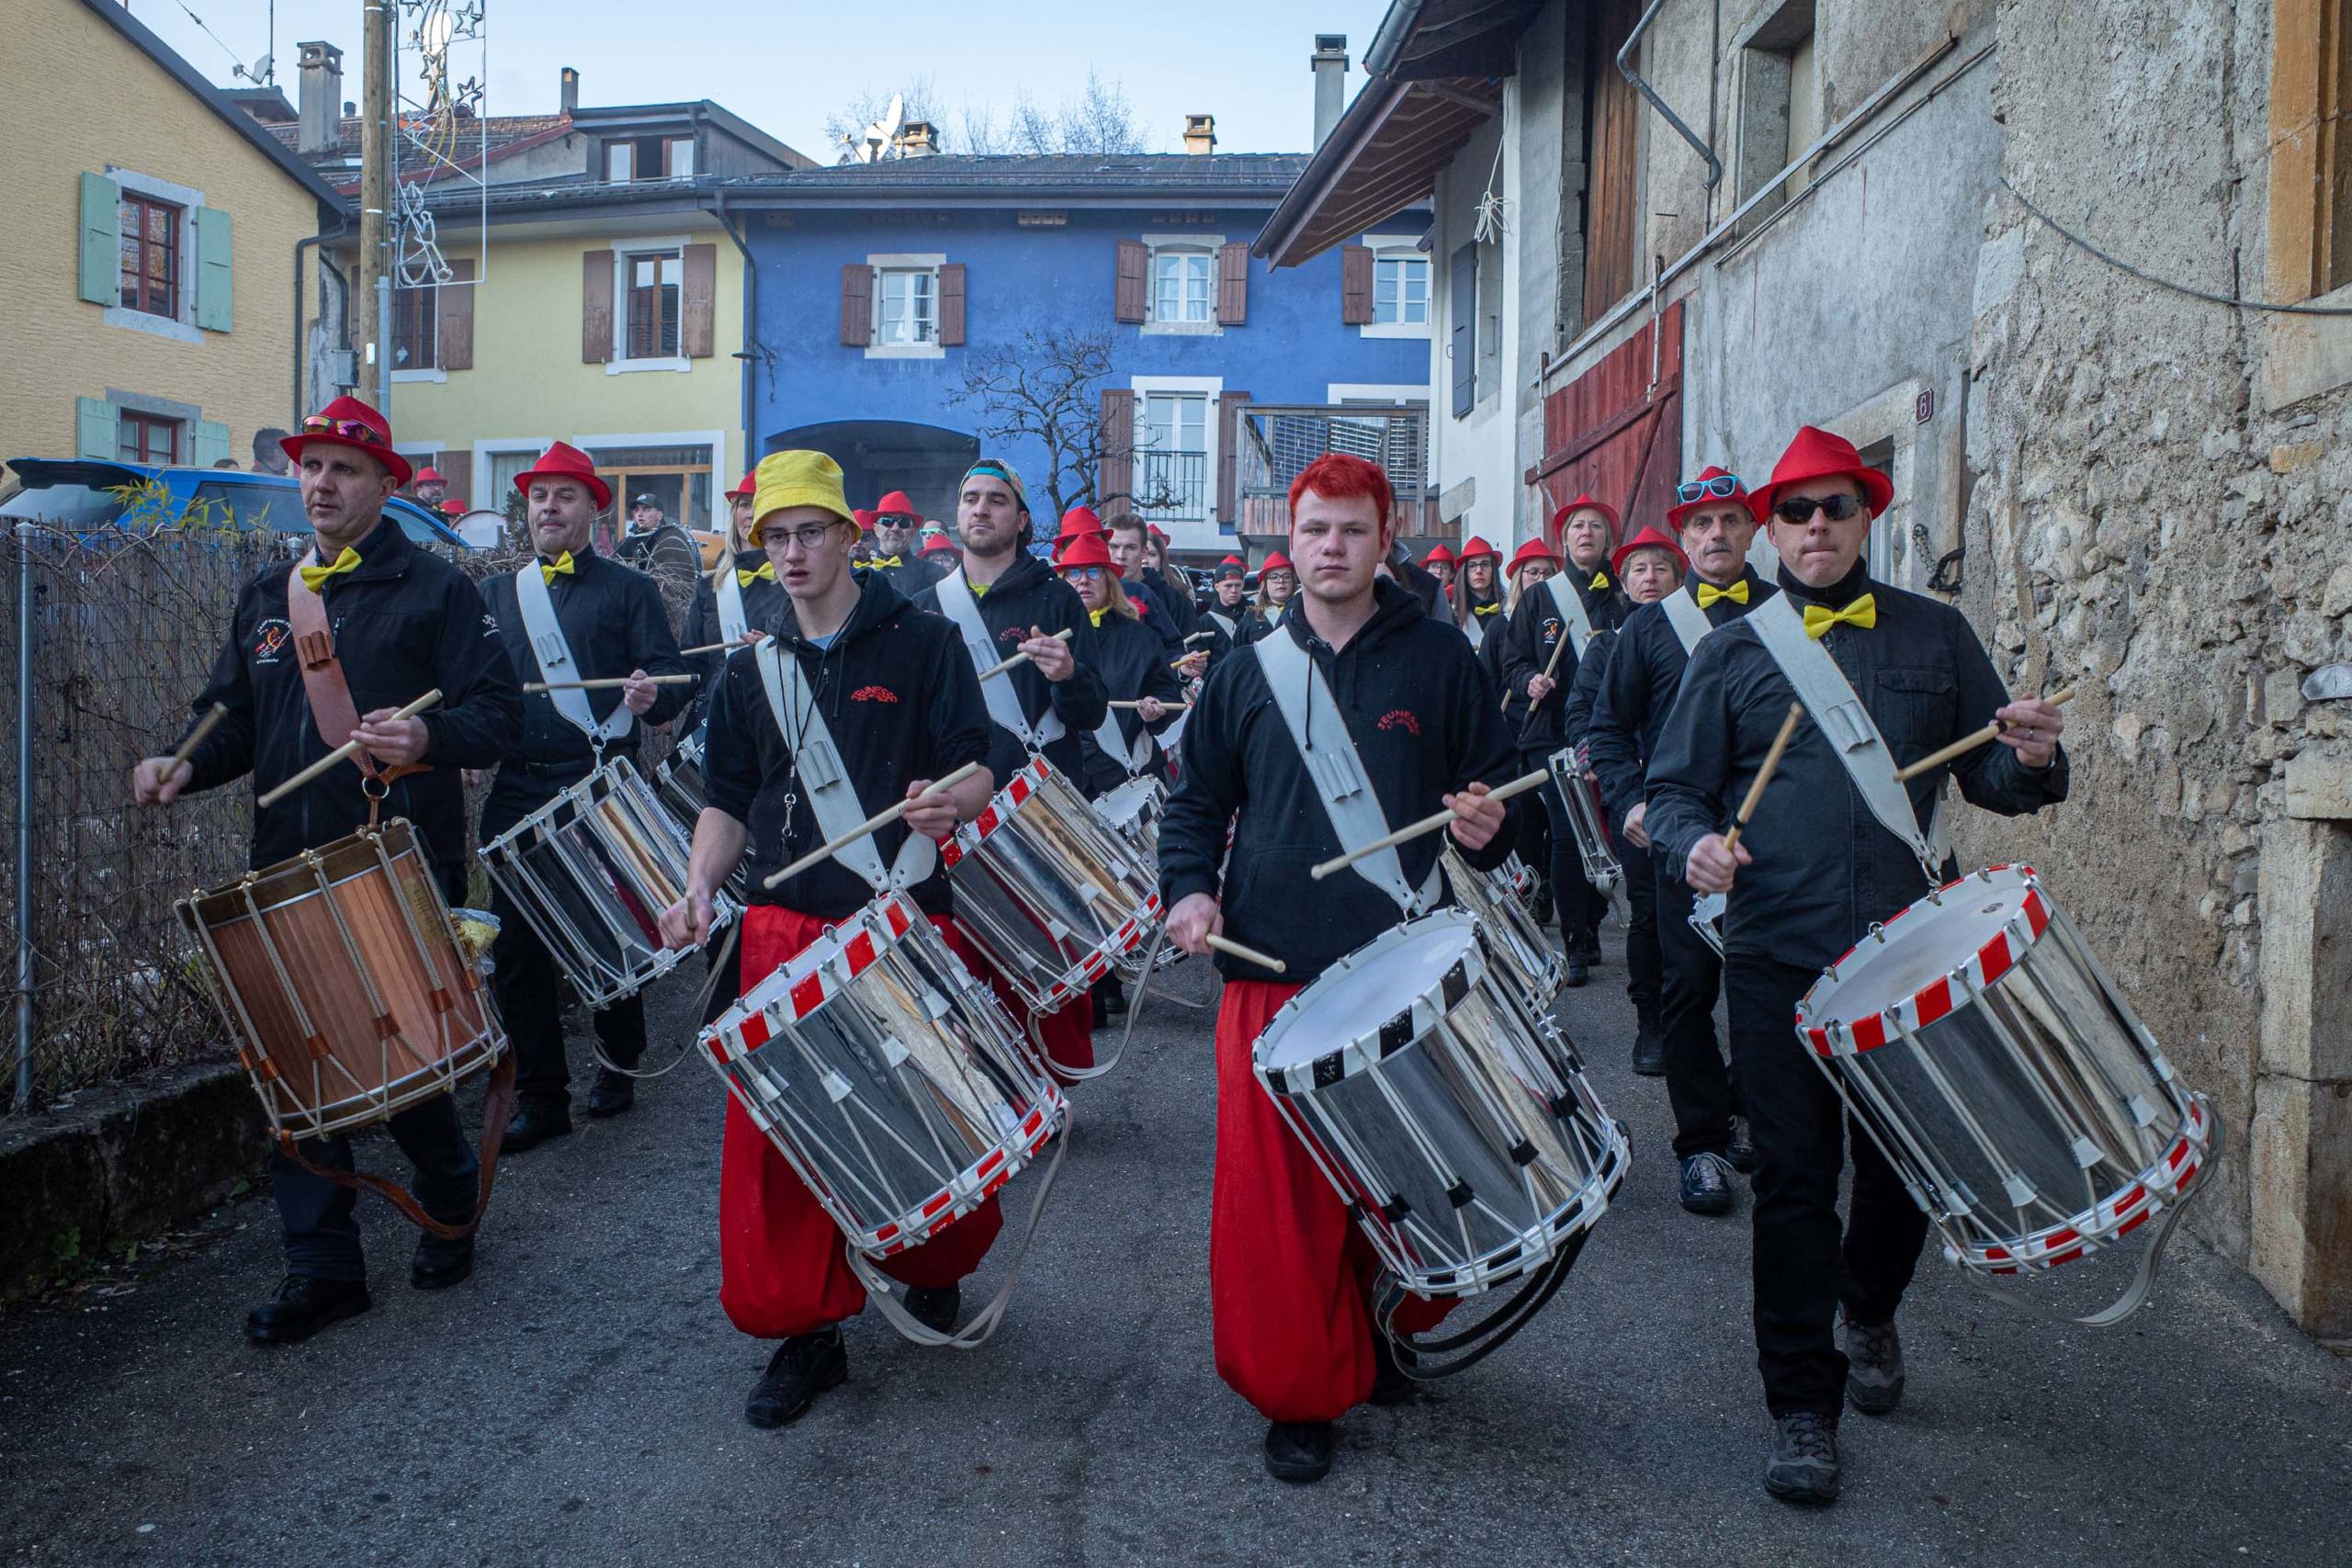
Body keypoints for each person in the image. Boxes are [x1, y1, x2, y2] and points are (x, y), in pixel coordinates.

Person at [1645, 426, 2070, 1506]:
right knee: (1791, 1179)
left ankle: (1869, 1305)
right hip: (1774, 955)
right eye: (1794, 512)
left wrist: (2032, 756)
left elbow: (1996, 783)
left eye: (1834, 507)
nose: (1815, 527)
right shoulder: (1730, 652)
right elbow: (1678, 791)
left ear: (1866, 513)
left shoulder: (1936, 633)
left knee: (1903, 1173)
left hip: (1905, 955)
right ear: (1768, 528)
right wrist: (1692, 841)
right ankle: (1801, 1404)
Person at [130, 395, 522, 1345]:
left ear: (386, 483)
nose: (320, 484)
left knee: (408, 1062)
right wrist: (183, 761)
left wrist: (425, 734)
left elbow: (501, 718)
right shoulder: (271, 596)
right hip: (284, 875)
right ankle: (323, 1269)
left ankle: (448, 1198)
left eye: (343, 469)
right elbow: (230, 714)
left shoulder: (437, 591)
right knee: (296, 1073)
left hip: (392, 865)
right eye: (310, 467)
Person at [1159, 452, 1520, 1485]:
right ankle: (1299, 1391)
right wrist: (1189, 890)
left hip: (1401, 964)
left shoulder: (1445, 661)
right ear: (1291, 540)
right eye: (1314, 530)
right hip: (1267, 968)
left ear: (1384, 537)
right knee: (1279, 1206)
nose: (1330, 548)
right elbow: (1193, 808)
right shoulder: (1240, 670)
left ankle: (1381, 1334)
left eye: (1351, 531)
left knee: (1412, 1177)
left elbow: (1493, 807)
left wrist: (1490, 827)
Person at [656, 448, 999, 1430]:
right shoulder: (751, 669)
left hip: (899, 922)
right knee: (781, 1149)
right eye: (776, 537)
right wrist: (695, 889)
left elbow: (977, 765)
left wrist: (948, 800)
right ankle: (806, 1336)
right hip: (780, 931)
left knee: (930, 1124)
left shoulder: (924, 643)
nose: (794, 551)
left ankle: (928, 1260)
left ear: (850, 535)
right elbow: (727, 801)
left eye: (811, 531)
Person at [477, 442, 693, 1145]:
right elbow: (477, 691)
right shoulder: (500, 595)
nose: (548, 507)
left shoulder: (630, 591)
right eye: (539, 495)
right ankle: (543, 1096)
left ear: (594, 509)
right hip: (518, 786)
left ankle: (617, 1060)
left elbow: (667, 692)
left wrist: (652, 690)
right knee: (517, 950)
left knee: (612, 929)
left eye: (564, 495)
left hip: (598, 779)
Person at [1587, 467, 1775, 1216]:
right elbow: (1606, 729)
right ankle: (1699, 1144)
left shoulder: (1788, 613)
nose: (1715, 535)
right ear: (1682, 536)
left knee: (1769, 994)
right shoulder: (1647, 626)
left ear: (1752, 530)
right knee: (1688, 996)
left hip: (1775, 846)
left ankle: (1751, 1109)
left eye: (1729, 520)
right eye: (1700, 524)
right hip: (1682, 838)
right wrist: (1631, 800)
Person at [913, 458, 1111, 1077]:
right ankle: (991, 1079)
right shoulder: (924, 606)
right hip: (960, 811)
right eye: (970, 497)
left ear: (1020, 519)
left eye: (995, 500)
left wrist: (1068, 674)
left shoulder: (1055, 597)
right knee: (968, 954)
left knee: (1047, 950)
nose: (980, 509)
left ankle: (1055, 1078)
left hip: (1039, 804)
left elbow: (1091, 708)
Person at [1560, 525, 1684, 1091]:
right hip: (1639, 797)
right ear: (1624, 581)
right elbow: (1583, 715)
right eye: (1639, 568)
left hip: (1710, 800)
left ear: (1679, 579)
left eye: (1661, 567)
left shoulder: (1701, 635)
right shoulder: (1606, 645)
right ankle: (1651, 1023)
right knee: (1651, 911)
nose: (1650, 577)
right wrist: (1606, 770)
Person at [1059, 530, 1187, 1024]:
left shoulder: (1138, 636)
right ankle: (1096, 988)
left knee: (1116, 886)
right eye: (1074, 573)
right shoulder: (1052, 632)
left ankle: (1114, 978)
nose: (1083, 581)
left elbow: (1168, 700)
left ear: (1111, 580)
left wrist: (1155, 712)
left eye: (1093, 572)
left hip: (1122, 772)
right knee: (1079, 887)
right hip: (1070, 774)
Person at [1504, 496, 1625, 984]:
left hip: (1610, 733)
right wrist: (1530, 680)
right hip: (1551, 732)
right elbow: (1511, 662)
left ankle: (1593, 924)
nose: (1586, 533)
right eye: (1578, 525)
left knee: (1604, 832)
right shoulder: (1539, 598)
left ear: (1607, 539)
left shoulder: (1622, 595)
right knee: (1569, 829)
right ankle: (1575, 938)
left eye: (1596, 525)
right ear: (1565, 538)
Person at [1102, 513, 1187, 652]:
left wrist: (1183, 664)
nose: (1121, 555)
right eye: (1113, 547)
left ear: (1144, 552)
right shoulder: (1091, 591)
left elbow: (1175, 649)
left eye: (1130, 547)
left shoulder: (1172, 599)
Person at [616, 492, 701, 622]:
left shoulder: (670, 540)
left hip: (667, 610)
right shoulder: (626, 543)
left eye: (646, 510)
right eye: (637, 510)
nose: (639, 514)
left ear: (659, 515)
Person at [1449, 536, 1504, 650]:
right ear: (1464, 571)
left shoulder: (1510, 606)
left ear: (1493, 569)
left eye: (1485, 565)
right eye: (1472, 566)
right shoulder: (1453, 612)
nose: (1479, 571)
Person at [1236, 552, 1296, 644]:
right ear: (1265, 584)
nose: (1281, 581)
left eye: (1287, 577)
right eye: (1274, 577)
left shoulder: (1304, 612)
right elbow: (1237, 653)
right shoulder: (1251, 617)